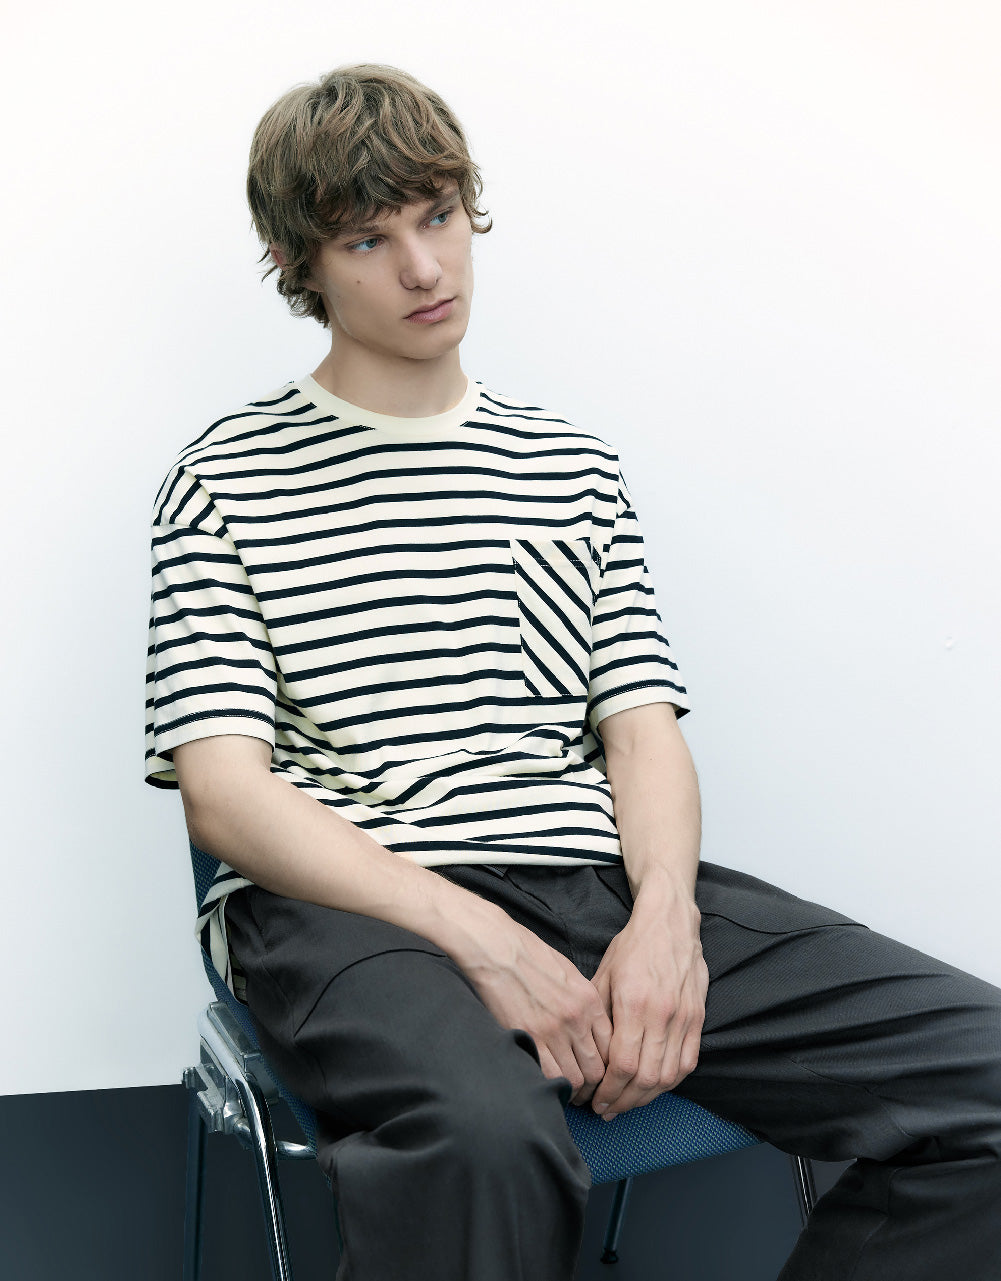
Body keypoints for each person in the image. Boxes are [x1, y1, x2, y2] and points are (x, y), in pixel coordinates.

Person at [145, 62, 1001, 1281]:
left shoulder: (567, 467)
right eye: (367, 240)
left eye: (438, 216)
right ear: (300, 265)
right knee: (485, 1142)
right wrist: (475, 937)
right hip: (351, 907)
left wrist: (664, 924)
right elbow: (225, 794)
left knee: (985, 1077)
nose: (425, 269)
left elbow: (639, 732)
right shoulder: (226, 478)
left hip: (585, 881)